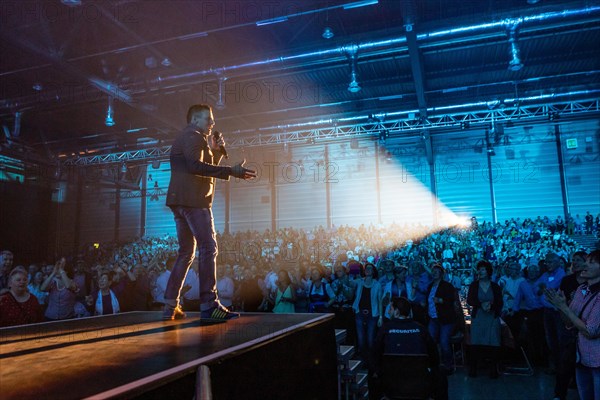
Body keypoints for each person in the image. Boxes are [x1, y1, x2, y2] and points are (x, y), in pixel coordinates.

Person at [163, 103, 256, 321]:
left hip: (181, 201)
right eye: (208, 119)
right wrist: (230, 172)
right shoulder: (193, 136)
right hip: (194, 201)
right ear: (195, 120)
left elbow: (198, 168)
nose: (212, 123)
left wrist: (215, 152)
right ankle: (209, 305)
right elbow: (196, 167)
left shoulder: (191, 137)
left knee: (186, 252)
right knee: (208, 247)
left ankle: (169, 304)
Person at [546, 250, 600, 400]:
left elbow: (591, 331)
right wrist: (562, 305)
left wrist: (564, 308)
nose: (585, 265)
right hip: (581, 356)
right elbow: (569, 323)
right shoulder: (581, 290)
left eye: (591, 262)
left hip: (597, 359)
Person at [374, 296, 447, 400]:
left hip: (391, 386)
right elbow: (434, 357)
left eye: (390, 309)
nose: (388, 312)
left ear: (397, 312)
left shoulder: (385, 329)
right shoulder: (421, 329)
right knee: (441, 373)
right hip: (420, 385)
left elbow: (375, 355)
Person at [467, 260, 503, 378]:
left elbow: (500, 302)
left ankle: (493, 369)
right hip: (478, 317)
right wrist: (481, 304)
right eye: (479, 269)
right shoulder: (474, 285)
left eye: (482, 269)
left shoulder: (495, 286)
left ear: (488, 272)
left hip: (492, 317)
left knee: (493, 342)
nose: (480, 272)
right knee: (476, 342)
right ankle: (473, 369)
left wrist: (491, 306)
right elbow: (469, 300)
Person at [426, 263, 457, 373]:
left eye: (436, 271)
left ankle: (448, 365)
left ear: (441, 274)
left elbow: (452, 301)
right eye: (433, 271)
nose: (434, 273)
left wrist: (441, 301)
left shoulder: (447, 286)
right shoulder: (430, 286)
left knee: (444, 342)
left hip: (446, 319)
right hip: (433, 318)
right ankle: (434, 364)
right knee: (430, 341)